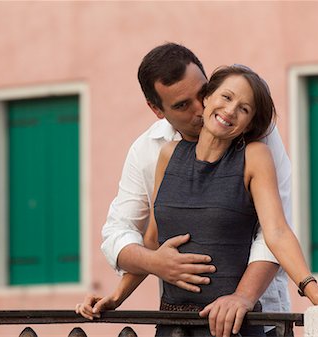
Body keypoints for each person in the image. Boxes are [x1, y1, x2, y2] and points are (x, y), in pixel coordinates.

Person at [77, 65, 318, 337]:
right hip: (173, 323)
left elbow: (276, 231)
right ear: (208, 97)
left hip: (230, 322)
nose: (230, 111)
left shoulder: (255, 157)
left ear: (249, 123)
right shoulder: (167, 154)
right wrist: (116, 296)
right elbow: (153, 240)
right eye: (226, 97)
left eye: (244, 109)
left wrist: (314, 293)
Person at [95, 43, 290, 337]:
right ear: (156, 110)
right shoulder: (148, 151)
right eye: (182, 105)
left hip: (254, 315)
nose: (201, 110)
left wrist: (243, 298)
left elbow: (272, 232)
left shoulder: (257, 138)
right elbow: (119, 233)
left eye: (202, 94)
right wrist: (153, 264)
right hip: (179, 323)